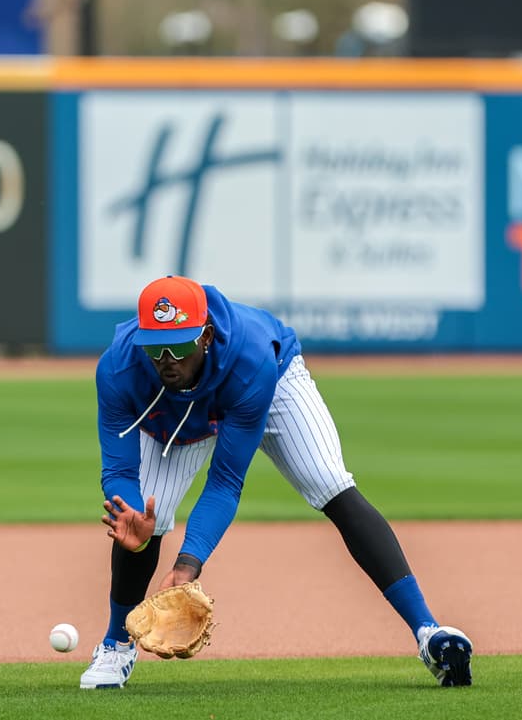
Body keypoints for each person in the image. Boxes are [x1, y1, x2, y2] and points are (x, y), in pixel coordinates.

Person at [79, 275, 471, 689]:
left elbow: (226, 481)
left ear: (206, 335)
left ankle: (428, 633)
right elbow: (120, 471)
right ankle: (115, 645)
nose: (165, 359)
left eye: (178, 345)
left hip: (270, 382)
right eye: (154, 346)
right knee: (144, 517)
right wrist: (132, 519)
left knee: (329, 482)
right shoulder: (119, 369)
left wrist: (188, 563)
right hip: (176, 414)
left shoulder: (250, 360)